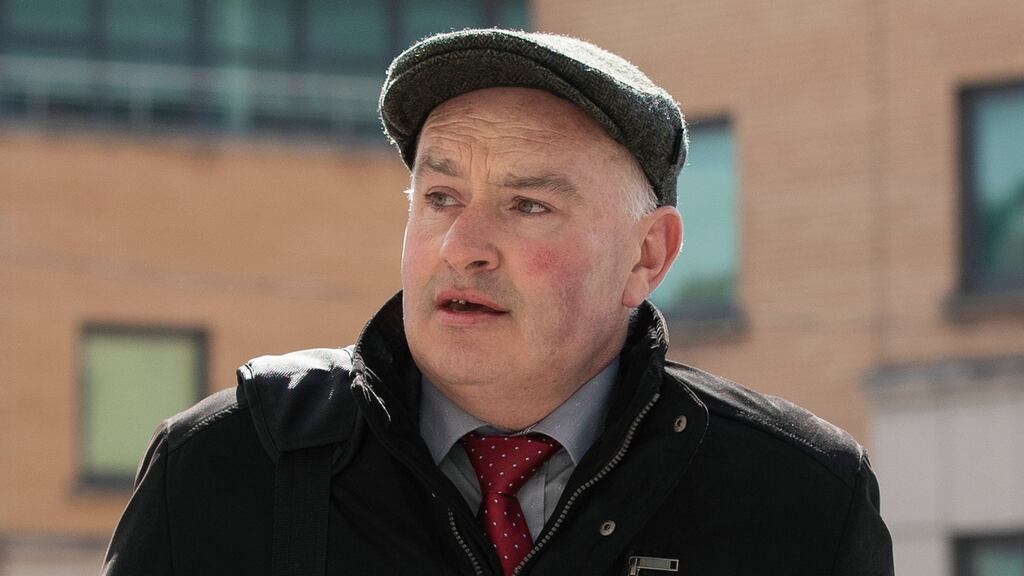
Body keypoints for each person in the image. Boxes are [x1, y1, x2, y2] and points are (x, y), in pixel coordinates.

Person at [101, 29, 894, 576]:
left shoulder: (800, 498)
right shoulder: (224, 467)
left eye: (528, 205)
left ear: (646, 256)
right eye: (441, 197)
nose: (462, 246)